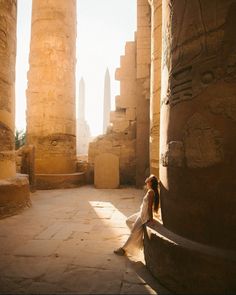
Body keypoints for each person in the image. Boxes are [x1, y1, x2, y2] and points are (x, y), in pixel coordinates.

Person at [113, 174, 159, 256]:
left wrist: (151, 220)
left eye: (149, 179)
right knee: (128, 221)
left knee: (133, 232)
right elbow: (146, 182)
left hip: (143, 216)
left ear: (151, 182)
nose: (147, 179)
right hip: (141, 213)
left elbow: (149, 208)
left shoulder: (151, 192)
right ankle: (138, 237)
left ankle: (123, 249)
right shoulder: (150, 190)